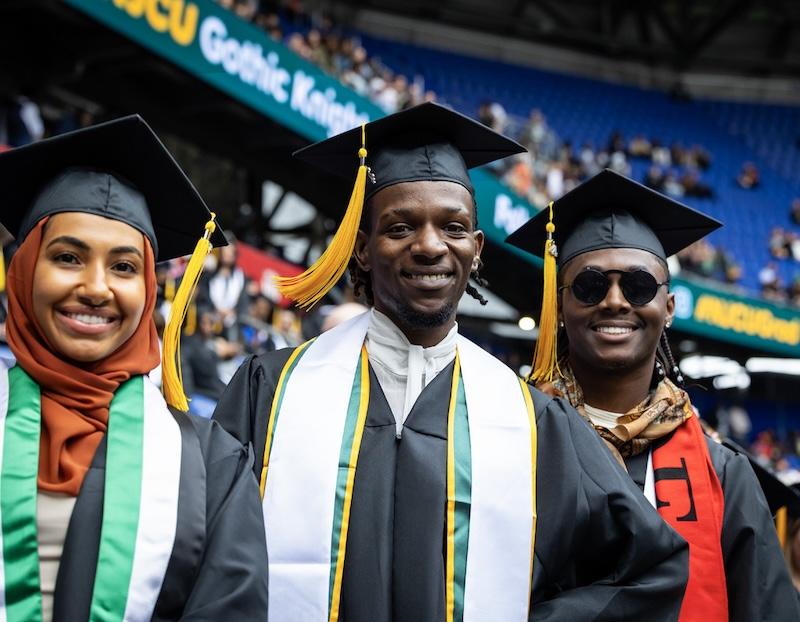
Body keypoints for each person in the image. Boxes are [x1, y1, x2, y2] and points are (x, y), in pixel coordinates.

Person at [213, 102, 689, 621]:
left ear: (476, 249)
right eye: (399, 228)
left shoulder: (532, 420)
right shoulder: (271, 390)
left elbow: (651, 565)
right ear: (363, 249)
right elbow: (206, 555)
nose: (429, 246)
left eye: (454, 227)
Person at [0, 116, 268, 620]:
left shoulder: (213, 466)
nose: (97, 287)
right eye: (67, 257)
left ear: (148, 291)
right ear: (23, 271)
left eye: (124, 267)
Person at [506, 168, 800, 621]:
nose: (616, 301)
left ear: (669, 307)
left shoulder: (723, 473)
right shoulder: (511, 441)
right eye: (590, 285)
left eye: (639, 285)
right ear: (560, 305)